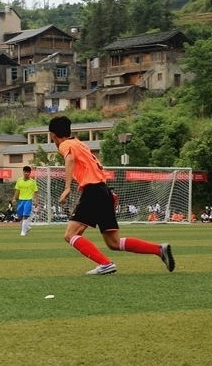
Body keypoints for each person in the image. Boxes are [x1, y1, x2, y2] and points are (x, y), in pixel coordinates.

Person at [48, 116, 174, 275]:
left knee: (70, 234)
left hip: (93, 191)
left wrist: (67, 188)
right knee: (113, 242)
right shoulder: (81, 144)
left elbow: (70, 159)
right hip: (103, 190)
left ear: (53, 135)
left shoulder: (65, 144)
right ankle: (158, 250)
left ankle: (105, 263)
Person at [12, 166, 39, 236]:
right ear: (23, 172)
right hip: (21, 200)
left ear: (30, 173)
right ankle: (27, 227)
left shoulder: (32, 182)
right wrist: (14, 198)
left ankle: (23, 232)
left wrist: (36, 201)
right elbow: (17, 190)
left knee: (25, 216)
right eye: (25, 172)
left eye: (28, 172)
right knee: (19, 216)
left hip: (28, 200)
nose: (26, 173)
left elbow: (36, 191)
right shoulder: (19, 180)